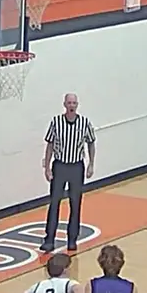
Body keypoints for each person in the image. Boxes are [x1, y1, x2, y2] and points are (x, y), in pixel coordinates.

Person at [41, 93, 96, 252]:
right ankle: (49, 239)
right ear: (64, 104)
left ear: (77, 105)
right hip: (60, 166)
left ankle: (72, 239)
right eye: (69, 103)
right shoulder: (56, 122)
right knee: (54, 203)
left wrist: (91, 164)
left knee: (75, 203)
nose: (71, 105)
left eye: (74, 103)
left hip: (76, 167)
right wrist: (47, 168)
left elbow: (91, 143)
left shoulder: (85, 123)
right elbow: (50, 145)